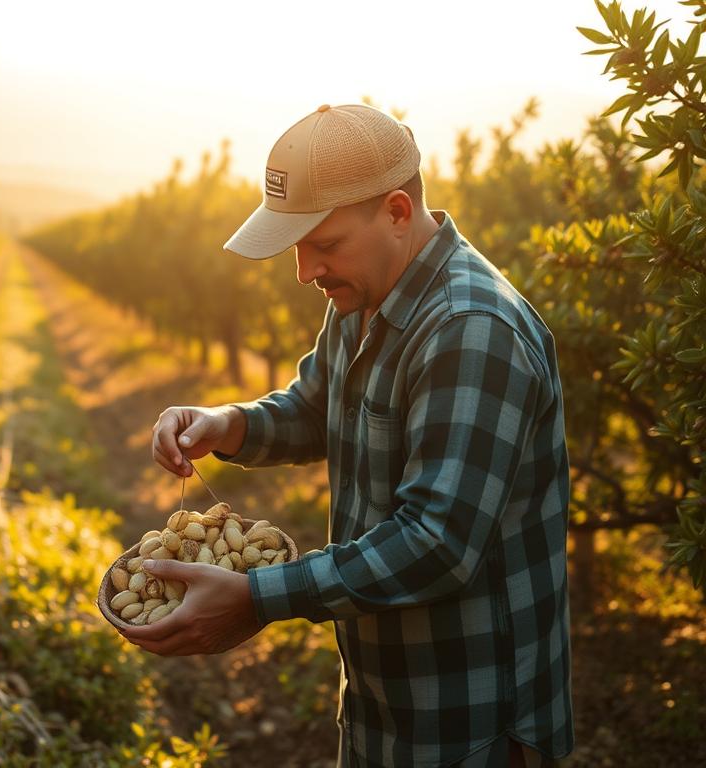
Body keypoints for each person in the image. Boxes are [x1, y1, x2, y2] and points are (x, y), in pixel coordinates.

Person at [115, 103, 573, 768]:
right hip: (383, 698)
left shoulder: (471, 331)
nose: (305, 271)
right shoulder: (368, 295)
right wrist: (228, 425)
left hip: (469, 718)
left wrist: (257, 598)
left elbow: (437, 543)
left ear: (395, 212)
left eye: (323, 245)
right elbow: (314, 407)